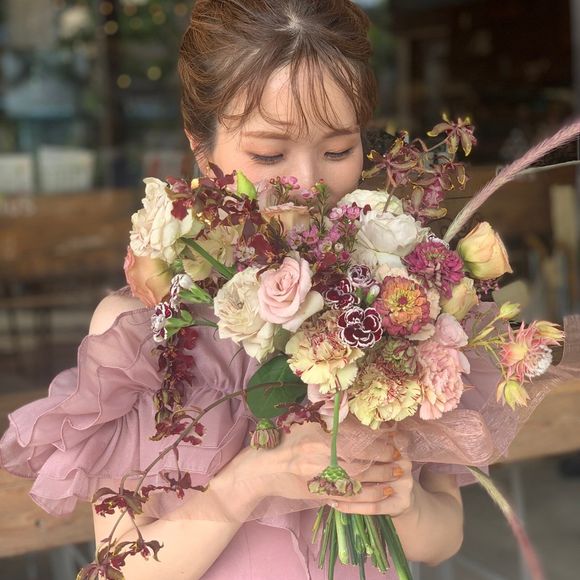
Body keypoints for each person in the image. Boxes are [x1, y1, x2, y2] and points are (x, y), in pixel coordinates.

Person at [0, 1, 465, 578]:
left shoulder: (397, 301)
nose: (309, 184)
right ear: (200, 146)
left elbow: (444, 536)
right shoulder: (141, 333)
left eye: (338, 150)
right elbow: (121, 569)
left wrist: (401, 504)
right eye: (269, 154)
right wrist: (251, 480)